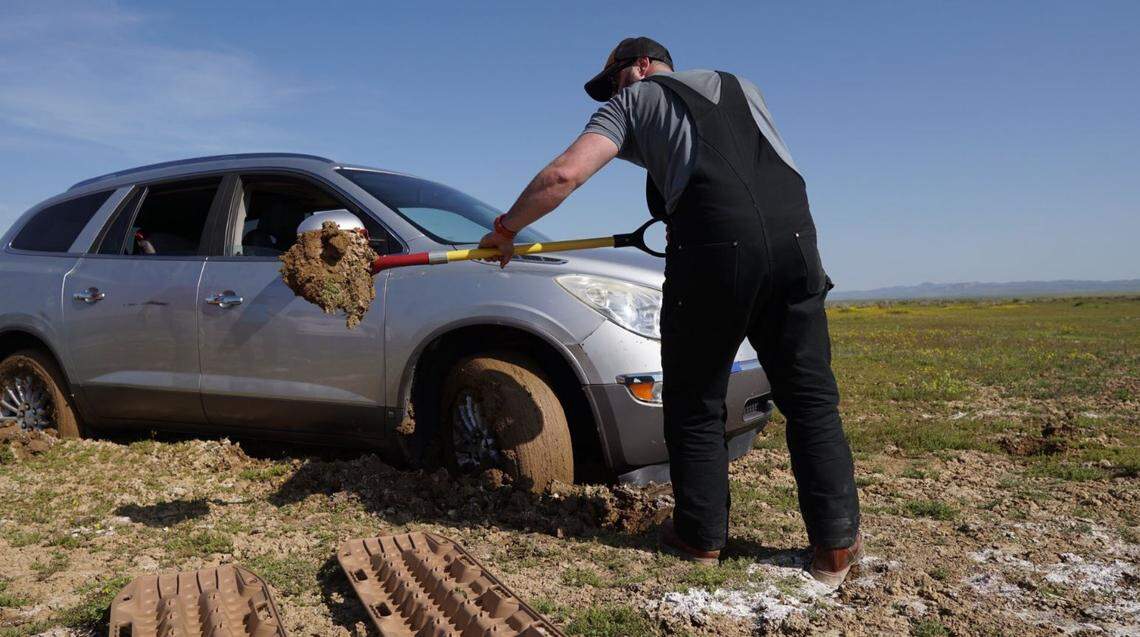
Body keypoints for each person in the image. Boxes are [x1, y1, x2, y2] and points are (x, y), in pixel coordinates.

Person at [477, 37, 862, 586]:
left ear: (638, 67)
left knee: (695, 400)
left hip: (714, 252)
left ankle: (700, 538)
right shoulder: (741, 86)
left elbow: (566, 174)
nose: (612, 93)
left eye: (614, 82)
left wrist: (506, 229)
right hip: (797, 241)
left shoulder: (632, 100)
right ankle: (836, 549)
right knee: (810, 398)